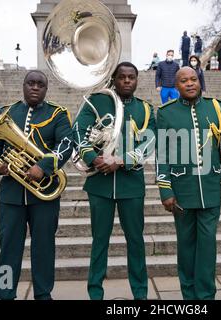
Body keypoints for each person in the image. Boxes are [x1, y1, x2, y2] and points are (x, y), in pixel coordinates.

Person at [0, 71, 73, 300]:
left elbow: (66, 145)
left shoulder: (58, 114)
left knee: (44, 248)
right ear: (23, 85)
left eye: (40, 84)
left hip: (44, 194)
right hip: (11, 195)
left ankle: (43, 294)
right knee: (8, 250)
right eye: (30, 83)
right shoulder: (7, 112)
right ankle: (5, 293)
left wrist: (43, 167)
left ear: (46, 89)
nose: (35, 87)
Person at [73, 62, 156, 300]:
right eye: (122, 77)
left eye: (131, 77)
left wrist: (121, 161)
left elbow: (150, 142)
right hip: (99, 185)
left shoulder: (146, 109)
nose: (127, 81)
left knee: (136, 242)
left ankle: (140, 294)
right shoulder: (96, 102)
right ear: (115, 79)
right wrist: (92, 158)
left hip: (131, 185)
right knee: (99, 241)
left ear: (137, 80)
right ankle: (95, 293)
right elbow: (78, 131)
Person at [156, 67, 221, 300]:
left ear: (199, 81)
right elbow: (162, 154)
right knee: (186, 246)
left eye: (193, 79)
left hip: (212, 189)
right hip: (182, 192)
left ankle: (206, 295)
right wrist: (165, 189)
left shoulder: (216, 107)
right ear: (176, 85)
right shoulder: (166, 113)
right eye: (183, 81)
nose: (190, 83)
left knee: (207, 247)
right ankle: (189, 295)